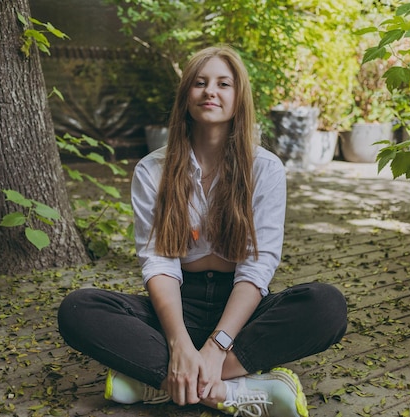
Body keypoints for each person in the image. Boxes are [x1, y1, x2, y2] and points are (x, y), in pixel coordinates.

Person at [57, 45, 348, 417]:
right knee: (79, 309)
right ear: (186, 97)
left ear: (238, 97)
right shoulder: (152, 170)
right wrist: (178, 341)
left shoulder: (266, 169)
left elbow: (257, 269)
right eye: (200, 83)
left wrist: (217, 346)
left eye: (223, 83)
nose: (211, 91)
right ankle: (234, 388)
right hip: (178, 304)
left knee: (327, 306)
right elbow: (159, 263)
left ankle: (167, 383)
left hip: (240, 310)